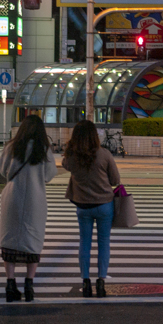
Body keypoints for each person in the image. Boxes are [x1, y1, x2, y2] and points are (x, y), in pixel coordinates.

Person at [0, 115, 57, 302]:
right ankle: (29, 285)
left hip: (12, 196)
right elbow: (49, 175)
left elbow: (2, 168)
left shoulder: (11, 146)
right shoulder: (44, 149)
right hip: (35, 199)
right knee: (33, 239)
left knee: (9, 239)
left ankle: (10, 283)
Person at [62, 120, 121, 298]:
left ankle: (85, 282)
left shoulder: (71, 157)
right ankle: (101, 281)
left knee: (84, 243)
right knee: (104, 243)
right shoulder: (104, 154)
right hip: (104, 205)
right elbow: (115, 180)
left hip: (82, 206)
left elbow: (66, 165)